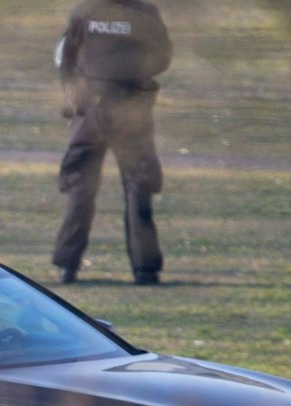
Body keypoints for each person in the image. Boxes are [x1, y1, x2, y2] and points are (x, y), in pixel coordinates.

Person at [50, 0, 172, 286]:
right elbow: (163, 57)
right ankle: (146, 270)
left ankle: (67, 266)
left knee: (80, 185)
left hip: (90, 107)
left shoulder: (84, 12)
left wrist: (71, 96)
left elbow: (65, 57)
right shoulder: (145, 13)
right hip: (131, 109)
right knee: (138, 185)